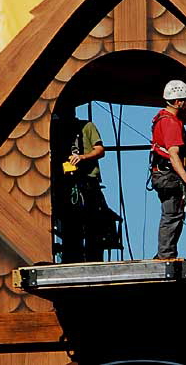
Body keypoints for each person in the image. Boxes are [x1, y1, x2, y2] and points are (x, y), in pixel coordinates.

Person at [51, 106, 121, 263]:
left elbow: (100, 150)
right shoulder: (57, 132)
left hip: (88, 181)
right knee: (70, 223)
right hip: (67, 182)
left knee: (93, 222)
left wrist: (82, 157)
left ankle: (93, 258)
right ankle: (71, 259)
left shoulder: (87, 126)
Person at [151, 79, 186, 259]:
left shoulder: (170, 118)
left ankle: (165, 254)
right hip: (169, 175)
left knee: (174, 214)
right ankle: (165, 256)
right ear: (178, 102)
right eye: (185, 100)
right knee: (172, 215)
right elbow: (173, 153)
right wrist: (184, 175)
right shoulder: (171, 123)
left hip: (162, 174)